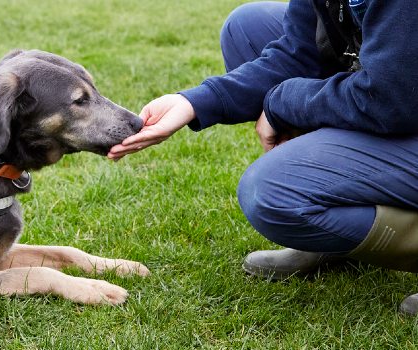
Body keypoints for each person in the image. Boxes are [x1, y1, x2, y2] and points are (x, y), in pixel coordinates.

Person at [108, 0, 418, 314]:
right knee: (248, 28)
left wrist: (283, 101)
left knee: (273, 192)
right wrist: (194, 102)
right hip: (401, 93)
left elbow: (391, 97)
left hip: (400, 98)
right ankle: (331, 235)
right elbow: (297, 53)